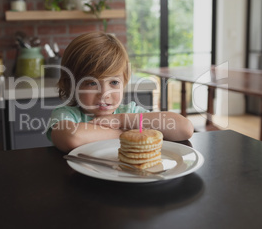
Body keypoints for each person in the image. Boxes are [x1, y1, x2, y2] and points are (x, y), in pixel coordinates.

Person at [46, 31, 194, 153]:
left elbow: (184, 128)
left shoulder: (129, 112)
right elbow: (72, 138)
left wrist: (121, 120)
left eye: (114, 82)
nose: (105, 93)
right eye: (92, 83)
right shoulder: (66, 115)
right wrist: (127, 134)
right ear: (71, 85)